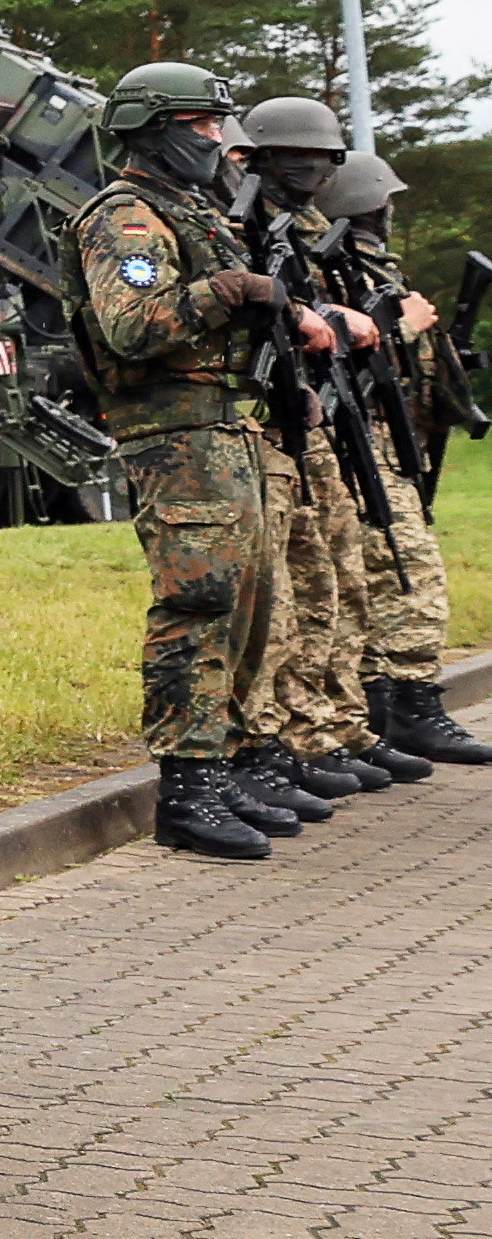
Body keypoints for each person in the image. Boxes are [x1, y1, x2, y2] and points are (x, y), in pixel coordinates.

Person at [65, 64, 312, 864]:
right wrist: (231, 290)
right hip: (174, 436)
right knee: (199, 602)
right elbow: (132, 326)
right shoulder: (126, 217)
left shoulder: (191, 211)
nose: (216, 139)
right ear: (151, 126)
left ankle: (228, 758)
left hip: (223, 428)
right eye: (200, 124)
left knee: (249, 601)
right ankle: (189, 784)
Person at [236, 94, 427, 800]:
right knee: (297, 589)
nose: (313, 169)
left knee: (334, 578)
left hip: (309, 420)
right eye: (298, 156)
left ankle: (334, 723)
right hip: (265, 425)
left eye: (322, 158)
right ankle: (299, 733)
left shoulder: (297, 230)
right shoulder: (243, 223)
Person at [322, 149, 491, 766]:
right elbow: (345, 358)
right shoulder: (338, 272)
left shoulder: (367, 271)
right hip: (363, 448)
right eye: (382, 204)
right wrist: (405, 328)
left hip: (392, 448)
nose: (389, 214)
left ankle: (388, 707)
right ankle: (410, 707)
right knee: (408, 576)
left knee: (386, 580)